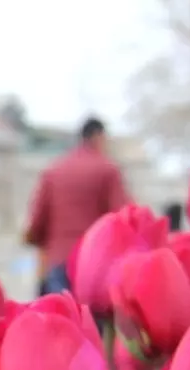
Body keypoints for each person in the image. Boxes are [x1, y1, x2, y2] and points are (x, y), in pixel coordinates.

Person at [25, 116, 129, 296]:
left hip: (58, 260)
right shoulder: (107, 169)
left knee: (62, 318)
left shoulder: (54, 170)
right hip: (94, 264)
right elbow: (123, 216)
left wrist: (35, 241)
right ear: (98, 137)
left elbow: (37, 222)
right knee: (94, 322)